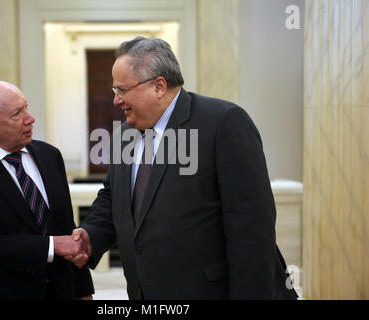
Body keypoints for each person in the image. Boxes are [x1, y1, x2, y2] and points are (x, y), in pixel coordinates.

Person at [73, 36, 298, 299]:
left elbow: (252, 231)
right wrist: (91, 236)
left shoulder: (223, 123)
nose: (116, 101)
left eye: (122, 90)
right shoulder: (125, 135)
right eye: (114, 91)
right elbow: (114, 198)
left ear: (158, 86)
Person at [0, 80, 93, 300]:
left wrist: (83, 292)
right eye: (17, 114)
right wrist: (52, 246)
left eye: (27, 107)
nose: (31, 118)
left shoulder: (50, 156)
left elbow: (66, 227)